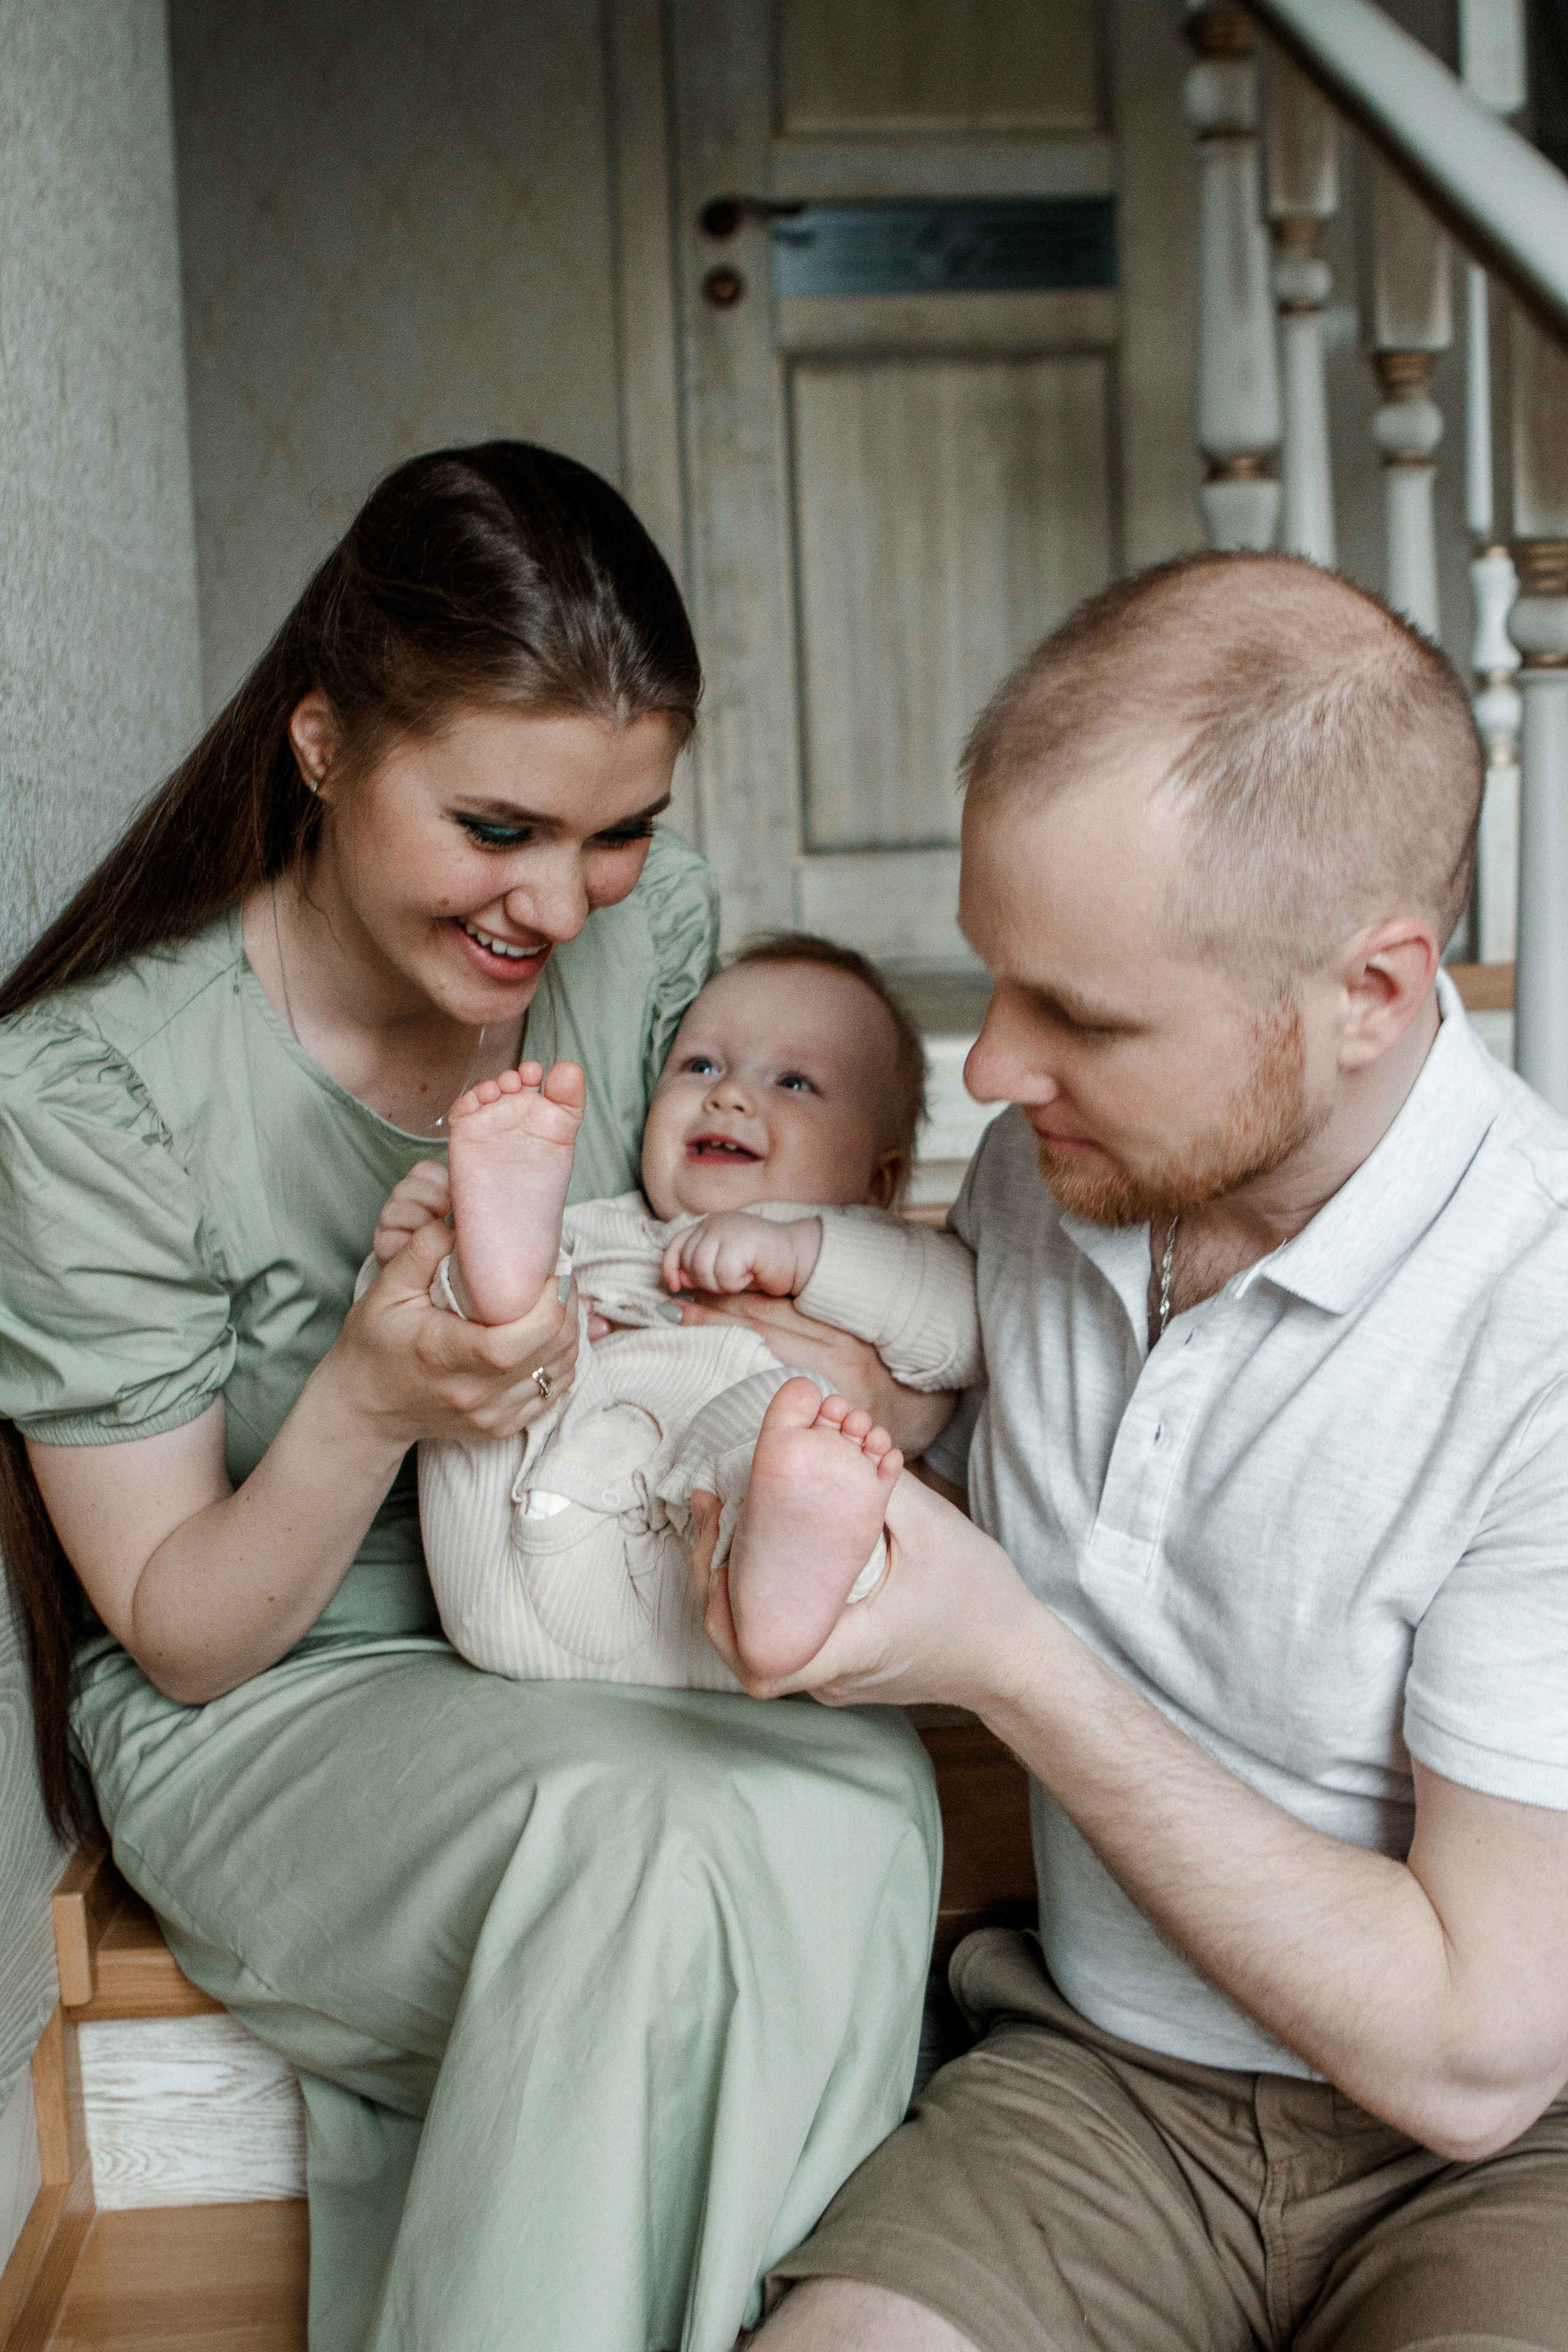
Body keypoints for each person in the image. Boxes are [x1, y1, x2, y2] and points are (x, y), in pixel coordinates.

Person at [0, 442, 948, 2352]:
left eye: (617, 832)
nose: (559, 903)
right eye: (498, 825)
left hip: (608, 1608)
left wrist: (844, 1369)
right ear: (324, 745)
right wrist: (367, 1399)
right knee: (635, 1846)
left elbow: (759, 1244)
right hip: (285, 1688)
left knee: (854, 1789)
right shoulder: (95, 1095)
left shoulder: (645, 946)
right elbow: (181, 1633)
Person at [707, 552, 1568, 2352]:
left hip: (1504, 2159)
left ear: (1370, 988)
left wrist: (1009, 1657)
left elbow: (1474, 2054)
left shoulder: (1536, 1323)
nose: (989, 1071)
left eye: (1080, 1015)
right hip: (1096, 2085)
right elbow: (997, 1430)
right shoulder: (1068, 1162)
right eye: (994, 979)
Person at [366, 933, 979, 1688]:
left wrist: (800, 1251)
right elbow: (413, 1359)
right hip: (503, 1600)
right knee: (497, 1351)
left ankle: (786, 1559)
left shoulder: (874, 1253)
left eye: (794, 1082)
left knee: (793, 1419)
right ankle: (471, 1261)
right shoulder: (591, 1230)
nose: (729, 1095)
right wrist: (423, 1254)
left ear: (878, 1182)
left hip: (718, 1590)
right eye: (701, 1066)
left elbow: (963, 1331)